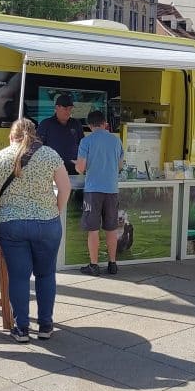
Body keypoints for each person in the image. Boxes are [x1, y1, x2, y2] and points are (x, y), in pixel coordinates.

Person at [0, 119, 71, 343]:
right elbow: (65, 188)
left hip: (11, 224)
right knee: (46, 274)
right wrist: (55, 210)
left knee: (19, 276)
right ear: (35, 135)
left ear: (11, 136)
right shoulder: (50, 154)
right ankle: (45, 325)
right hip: (47, 223)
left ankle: (21, 328)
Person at [75, 110, 124, 276]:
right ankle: (112, 264)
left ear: (89, 125)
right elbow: (120, 166)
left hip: (93, 191)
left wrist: (77, 165)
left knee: (93, 230)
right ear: (105, 123)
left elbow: (80, 168)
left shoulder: (86, 141)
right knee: (111, 229)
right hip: (111, 190)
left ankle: (94, 266)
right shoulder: (116, 141)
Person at [37, 94, 83, 175]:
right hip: (52, 169)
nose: (68, 112)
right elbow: (38, 146)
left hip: (72, 169)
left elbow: (82, 144)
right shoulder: (46, 124)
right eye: (65, 108)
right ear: (57, 107)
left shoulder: (76, 124)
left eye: (70, 109)